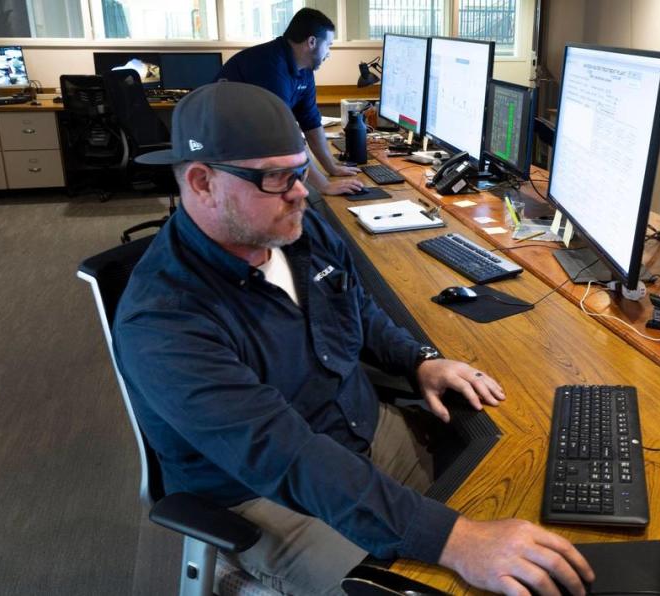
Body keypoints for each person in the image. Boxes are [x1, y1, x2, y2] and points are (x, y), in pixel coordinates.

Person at [119, 82, 593, 595]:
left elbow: (356, 310)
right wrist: (455, 539)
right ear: (202, 182)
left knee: (529, 516)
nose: (302, 190)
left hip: (363, 430)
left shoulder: (296, 229)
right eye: (278, 177)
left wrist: (419, 361)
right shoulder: (163, 321)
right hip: (271, 499)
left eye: (300, 170)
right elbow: (289, 456)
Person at [217, 8, 363, 196]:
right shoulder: (270, 67)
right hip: (222, 150)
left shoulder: (304, 68)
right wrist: (324, 185)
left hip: (248, 146)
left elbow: (310, 122)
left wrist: (332, 167)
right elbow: (284, 137)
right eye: (329, 45)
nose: (329, 53)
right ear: (311, 42)